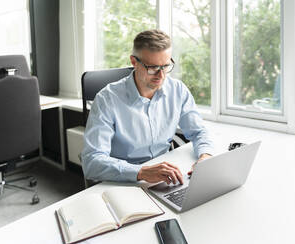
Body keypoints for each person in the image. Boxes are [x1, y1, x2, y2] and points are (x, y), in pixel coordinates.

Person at [82, 29, 214, 185]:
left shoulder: (177, 90)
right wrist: (141, 172)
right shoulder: (107, 99)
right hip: (123, 180)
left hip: (165, 175)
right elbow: (92, 162)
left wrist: (205, 156)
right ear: (134, 62)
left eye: (165, 66)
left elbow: (198, 131)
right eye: (152, 68)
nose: (161, 76)